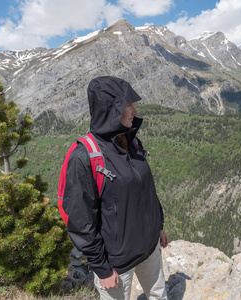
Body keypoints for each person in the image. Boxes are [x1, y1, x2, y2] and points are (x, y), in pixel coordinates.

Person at [62, 76, 168, 299]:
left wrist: (158, 224)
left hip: (149, 248)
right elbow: (81, 220)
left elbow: (146, 189)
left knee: (159, 295)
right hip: (117, 263)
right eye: (128, 105)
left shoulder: (130, 142)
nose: (135, 110)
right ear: (111, 109)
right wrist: (102, 268)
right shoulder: (84, 157)